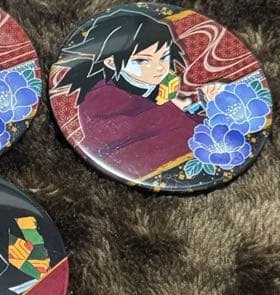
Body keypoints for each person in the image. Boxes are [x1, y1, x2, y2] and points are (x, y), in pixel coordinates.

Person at [53, 7, 224, 179]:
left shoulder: (161, 83)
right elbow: (166, 126)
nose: (159, 67)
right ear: (111, 62)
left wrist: (207, 104)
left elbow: (175, 115)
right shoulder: (101, 98)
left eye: (164, 57)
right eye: (142, 61)